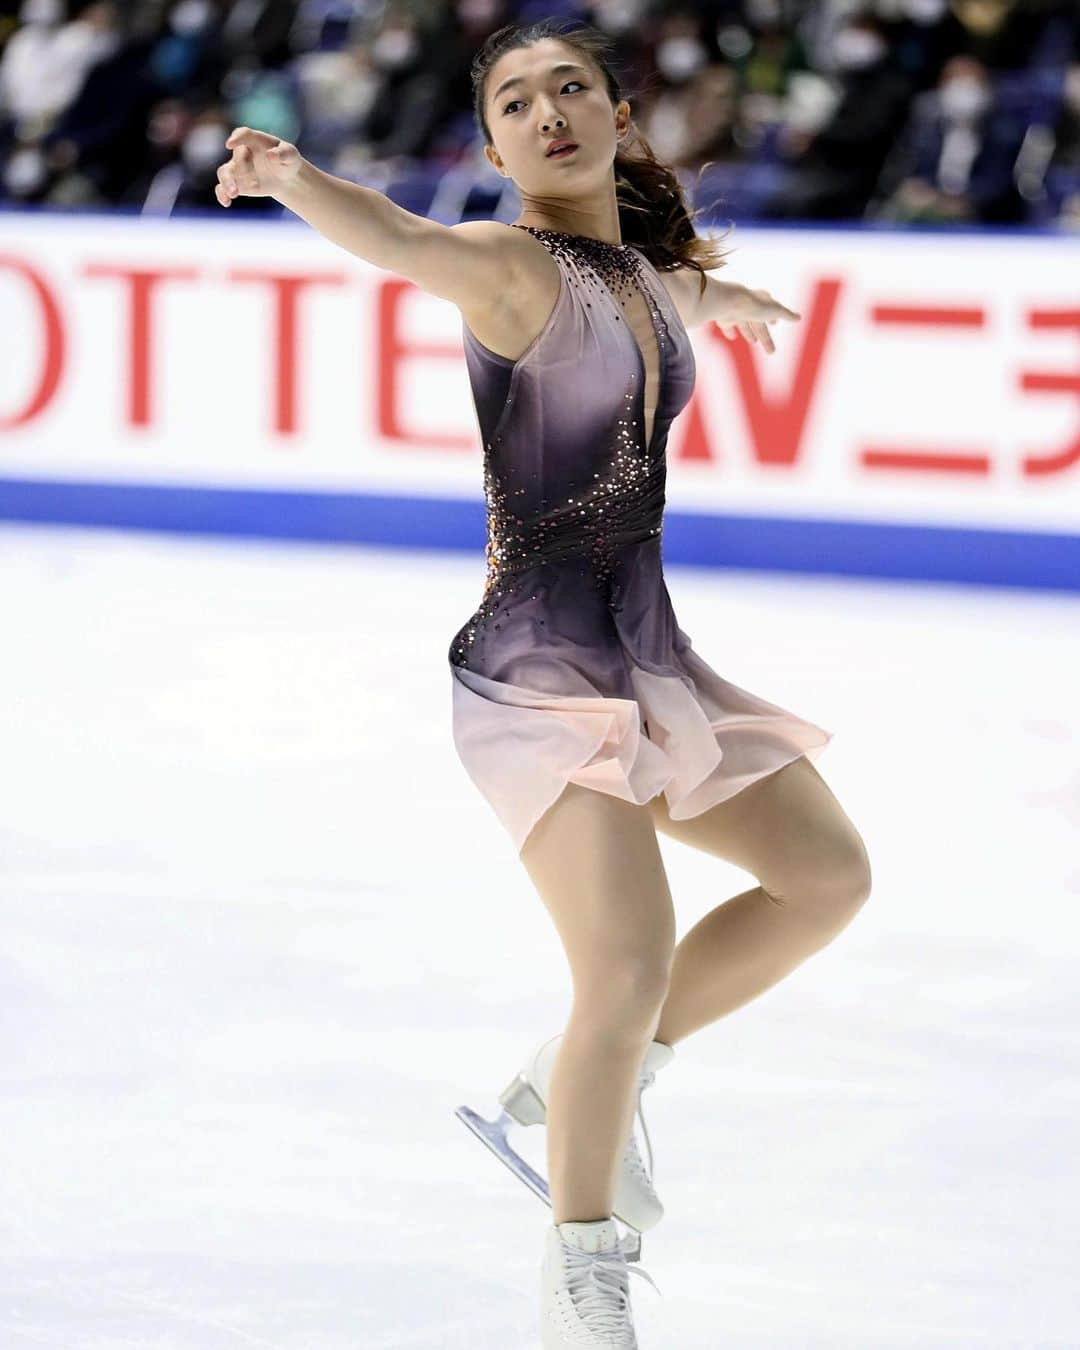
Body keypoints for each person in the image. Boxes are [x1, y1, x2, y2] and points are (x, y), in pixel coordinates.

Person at [215, 17, 872, 1348]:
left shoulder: (636, 272)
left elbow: (669, 296)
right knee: (623, 962)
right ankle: (586, 1261)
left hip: (647, 653)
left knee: (827, 876)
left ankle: (594, 1073)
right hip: (534, 673)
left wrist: (727, 303)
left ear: (618, 115)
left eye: (573, 85)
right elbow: (403, 241)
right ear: (495, 138)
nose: (549, 109)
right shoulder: (507, 266)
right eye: (515, 99)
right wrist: (291, 178)